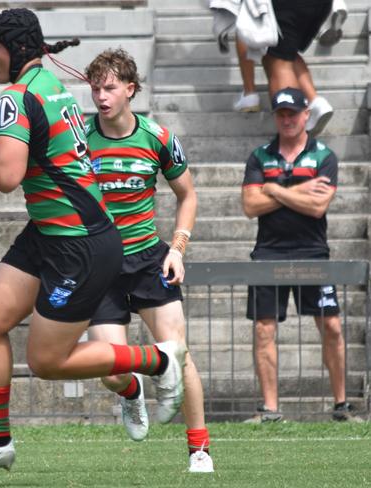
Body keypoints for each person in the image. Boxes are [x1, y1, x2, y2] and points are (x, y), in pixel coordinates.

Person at [0, 8, 186, 472]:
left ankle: (156, 361)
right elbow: (37, 161)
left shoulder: (15, 97)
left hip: (78, 240)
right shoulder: (52, 87)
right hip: (53, 230)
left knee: (47, 361)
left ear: (15, 49)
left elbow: (6, 177)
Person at [84, 48, 213, 473]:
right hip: (99, 263)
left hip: (148, 259)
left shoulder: (158, 137)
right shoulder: (80, 137)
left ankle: (199, 449)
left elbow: (187, 195)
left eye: (110, 87)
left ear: (130, 90)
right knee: (109, 368)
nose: (101, 96)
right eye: (95, 88)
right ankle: (130, 392)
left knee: (179, 353)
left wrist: (177, 247)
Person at [241, 87, 362, 423]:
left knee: (332, 327)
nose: (287, 119)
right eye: (281, 113)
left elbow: (317, 206)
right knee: (264, 330)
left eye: (293, 113)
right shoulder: (259, 156)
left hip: (313, 253)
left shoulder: (324, 156)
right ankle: (270, 409)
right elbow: (250, 206)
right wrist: (298, 190)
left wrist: (274, 188)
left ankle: (341, 405)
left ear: (306, 114)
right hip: (267, 253)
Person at [262, 0, 334, 135]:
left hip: (286, 5)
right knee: (284, 51)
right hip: (319, 5)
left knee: (279, 62)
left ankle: (292, 136)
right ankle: (315, 102)